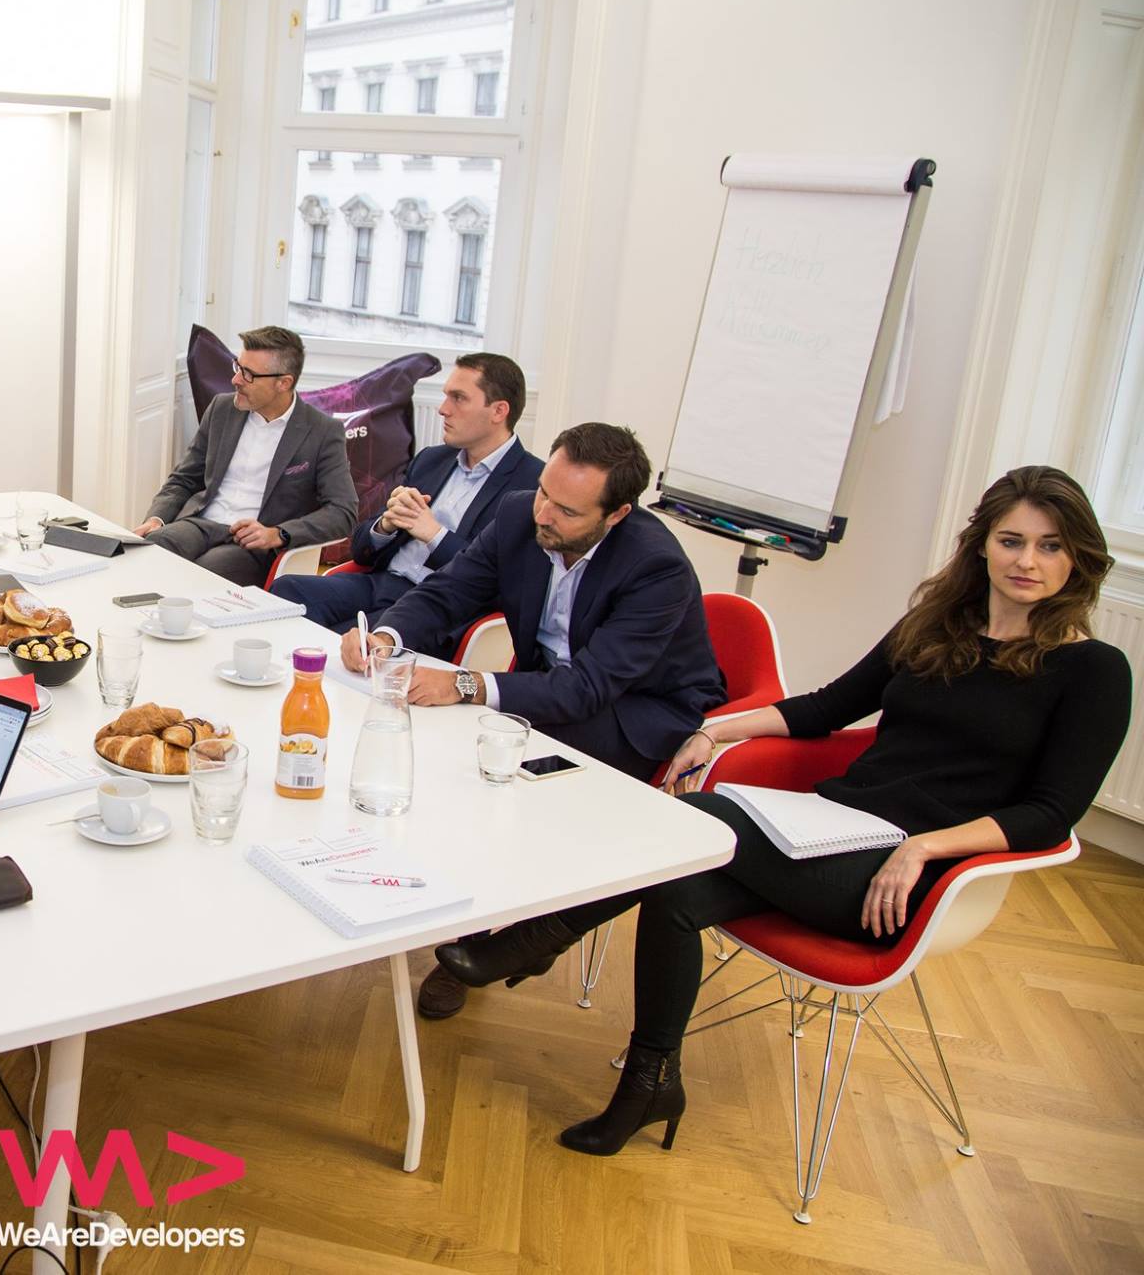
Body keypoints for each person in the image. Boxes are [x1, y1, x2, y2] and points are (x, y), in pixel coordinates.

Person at [439, 466, 1132, 1157]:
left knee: (700, 820)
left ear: (1077, 558)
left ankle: (536, 935)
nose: (1027, 562)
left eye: (1050, 546)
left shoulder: (1094, 671)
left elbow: (1051, 812)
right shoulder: (936, 629)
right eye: (1012, 541)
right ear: (982, 546)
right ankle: (649, 1083)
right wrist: (712, 731)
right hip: (833, 829)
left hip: (907, 877)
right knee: (678, 889)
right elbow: (827, 707)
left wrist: (924, 847)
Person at [339, 422, 728, 1020]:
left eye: (567, 510)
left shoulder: (657, 566)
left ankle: (503, 937)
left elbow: (589, 688)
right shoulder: (521, 512)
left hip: (637, 707)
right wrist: (387, 636)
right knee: (457, 749)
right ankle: (470, 915)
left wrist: (465, 685)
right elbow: (448, 593)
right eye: (545, 492)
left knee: (495, 765)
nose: (544, 513)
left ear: (617, 514)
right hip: (548, 686)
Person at [272, 352, 543, 656]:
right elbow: (361, 548)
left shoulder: (531, 484)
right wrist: (385, 526)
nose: (443, 409)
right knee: (287, 592)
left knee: (342, 643)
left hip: (438, 606)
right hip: (382, 583)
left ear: (499, 411)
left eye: (458, 398)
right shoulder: (432, 459)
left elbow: (500, 582)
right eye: (446, 396)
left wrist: (434, 535)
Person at [133, 326, 357, 586]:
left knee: (202, 576)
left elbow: (343, 512)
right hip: (201, 523)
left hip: (255, 544)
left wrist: (278, 534)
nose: (236, 379)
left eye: (248, 374)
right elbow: (184, 478)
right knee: (151, 550)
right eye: (238, 367)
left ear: (283, 383)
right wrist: (157, 518)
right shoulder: (222, 408)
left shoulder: (322, 431)